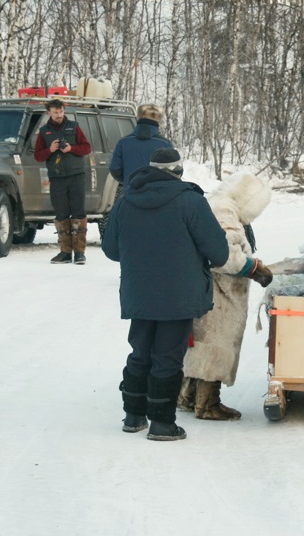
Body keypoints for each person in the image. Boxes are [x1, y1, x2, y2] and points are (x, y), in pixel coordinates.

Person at [102, 148, 229, 441]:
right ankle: (162, 423)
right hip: (179, 294)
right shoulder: (191, 202)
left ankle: (133, 417)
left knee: (140, 353)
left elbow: (111, 250)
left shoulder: (126, 201)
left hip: (139, 293)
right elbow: (219, 253)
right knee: (168, 357)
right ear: (178, 171)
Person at [177, 172, 273, 420]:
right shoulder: (225, 212)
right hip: (220, 291)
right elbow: (225, 254)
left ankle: (187, 396)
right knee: (216, 342)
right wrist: (252, 268)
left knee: (201, 343)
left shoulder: (217, 203)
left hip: (205, 286)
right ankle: (207, 404)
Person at [34, 98, 93, 264]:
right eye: (55, 112)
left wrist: (71, 149)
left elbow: (87, 148)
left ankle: (80, 252)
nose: (59, 115)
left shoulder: (74, 127)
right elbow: (38, 156)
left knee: (78, 212)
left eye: (60, 112)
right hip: (57, 177)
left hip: (76, 175)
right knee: (61, 213)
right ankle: (65, 252)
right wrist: (50, 149)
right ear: (49, 113)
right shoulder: (44, 132)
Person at [109, 104, 172, 184]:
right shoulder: (165, 144)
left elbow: (115, 169)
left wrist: (128, 181)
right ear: (159, 119)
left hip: (131, 192)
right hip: (157, 193)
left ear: (139, 116)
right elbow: (173, 171)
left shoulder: (123, 142)